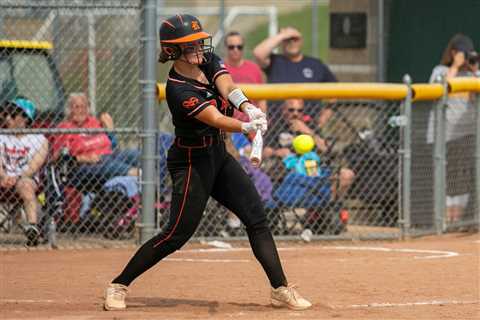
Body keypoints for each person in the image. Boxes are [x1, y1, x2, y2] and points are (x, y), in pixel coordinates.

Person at [104, 14, 312, 312]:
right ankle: (119, 284)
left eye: (199, 41)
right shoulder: (178, 88)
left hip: (217, 155)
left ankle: (280, 289)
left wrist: (247, 107)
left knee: (256, 217)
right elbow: (213, 118)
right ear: (175, 51)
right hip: (191, 161)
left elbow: (227, 86)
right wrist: (244, 127)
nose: (200, 47)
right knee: (177, 233)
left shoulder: (206, 59)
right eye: (191, 44)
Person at [426, 34, 477, 227]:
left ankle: (457, 222)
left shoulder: (472, 75)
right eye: (463, 55)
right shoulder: (440, 70)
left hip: (466, 134)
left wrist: (474, 70)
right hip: (443, 135)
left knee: (462, 180)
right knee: (444, 180)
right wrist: (455, 67)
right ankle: (444, 221)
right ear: (454, 53)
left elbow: (474, 98)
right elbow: (437, 90)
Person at [53, 93, 139, 190]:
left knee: (134, 154)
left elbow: (114, 147)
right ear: (69, 110)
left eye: (84, 107)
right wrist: (81, 158)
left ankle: (153, 173)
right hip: (86, 166)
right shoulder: (64, 128)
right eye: (77, 107)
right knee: (109, 165)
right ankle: (142, 176)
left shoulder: (94, 122)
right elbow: (57, 158)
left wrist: (111, 131)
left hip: (111, 156)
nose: (81, 110)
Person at [253, 26, 337, 119]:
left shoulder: (315, 64)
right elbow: (259, 53)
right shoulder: (275, 61)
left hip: (309, 127)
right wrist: (282, 35)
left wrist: (323, 119)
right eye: (287, 39)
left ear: (301, 41)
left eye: (295, 39)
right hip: (278, 128)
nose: (292, 42)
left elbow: (335, 92)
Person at [0, 98, 48, 246]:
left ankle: (32, 227)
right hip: (3, 176)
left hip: (26, 178)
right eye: (7, 114)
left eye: (13, 115)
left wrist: (18, 177)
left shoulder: (39, 139)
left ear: (25, 119)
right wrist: (3, 175)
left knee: (25, 186)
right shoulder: (1, 136)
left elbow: (35, 165)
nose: (7, 118)